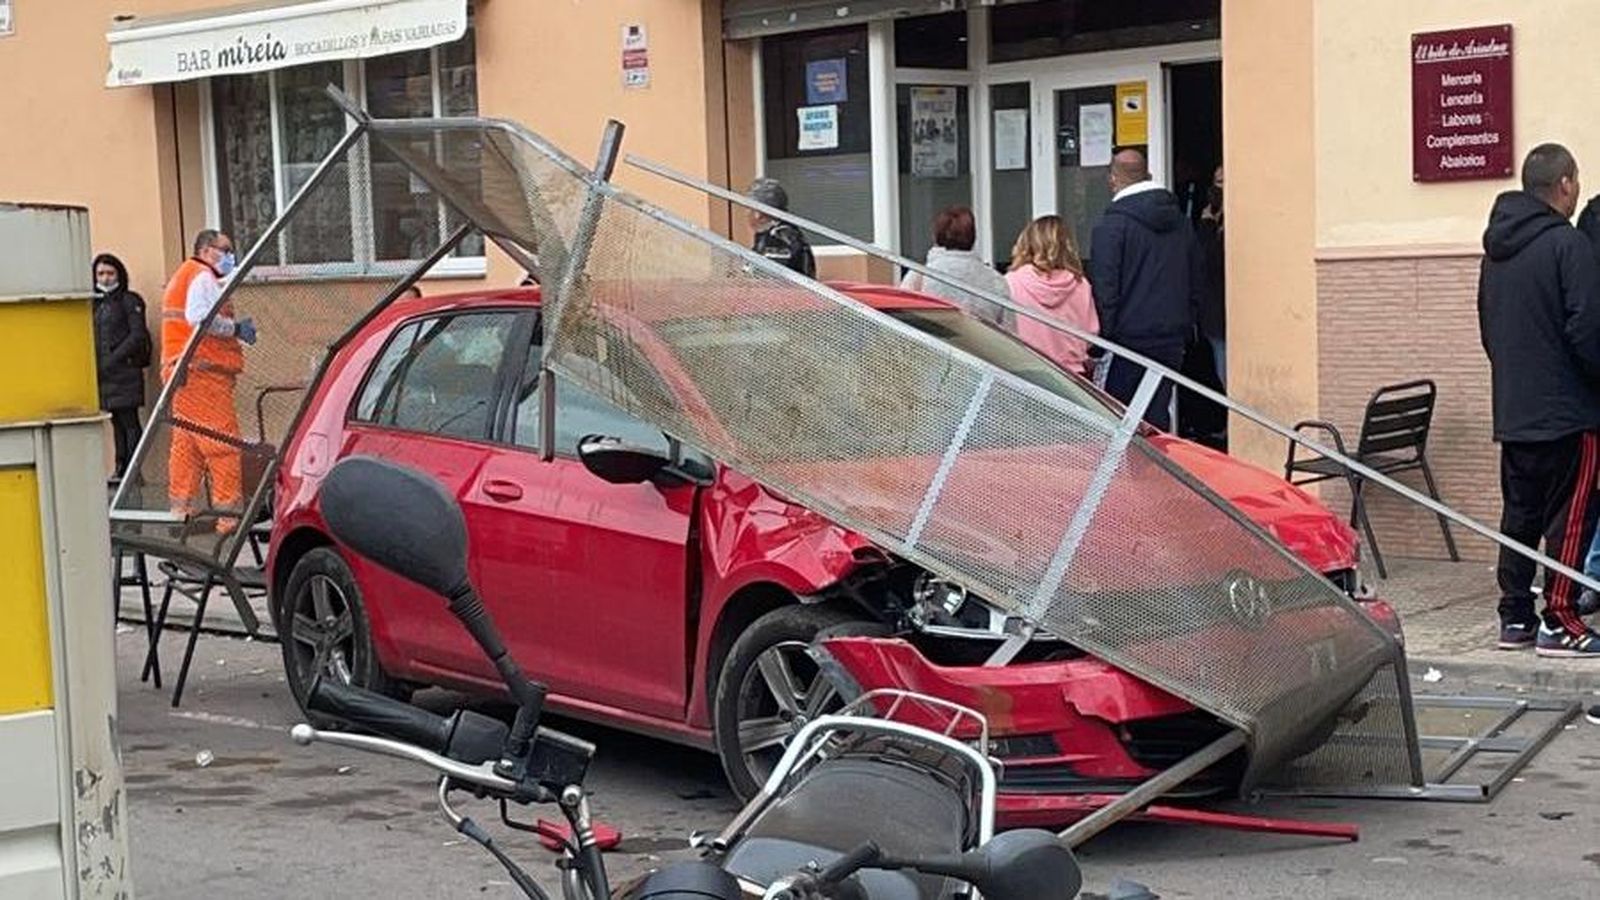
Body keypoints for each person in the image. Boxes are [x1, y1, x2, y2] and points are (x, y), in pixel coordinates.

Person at [1477, 143, 1600, 657]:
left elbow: (1489, 329)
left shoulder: (1495, 251)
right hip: (1570, 413)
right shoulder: (1568, 246)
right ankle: (1562, 620)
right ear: (1566, 183)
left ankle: (1515, 619)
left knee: (1520, 518)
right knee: (1571, 520)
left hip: (1515, 410)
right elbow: (1588, 329)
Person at [1088, 148, 1202, 431]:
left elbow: (1106, 288)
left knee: (1117, 418)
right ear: (1148, 175)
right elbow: (1195, 277)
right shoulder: (1182, 223)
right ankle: (1157, 473)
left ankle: (1129, 475)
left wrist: (1102, 340)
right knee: (1157, 416)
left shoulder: (1112, 225)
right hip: (1171, 339)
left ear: (1113, 180)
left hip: (1126, 341)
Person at [161, 229, 256, 534]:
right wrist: (235, 329)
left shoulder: (185, 274)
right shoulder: (202, 277)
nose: (229, 256)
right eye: (224, 250)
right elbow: (200, 316)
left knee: (187, 444)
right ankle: (229, 519)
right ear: (205, 250)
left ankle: (181, 512)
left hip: (183, 372)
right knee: (223, 444)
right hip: (203, 373)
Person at [1003, 215, 1097, 377]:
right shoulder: (1080, 284)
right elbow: (1091, 332)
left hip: (1027, 370)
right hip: (1073, 375)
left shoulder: (1011, 282)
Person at [900, 206, 1012, 330]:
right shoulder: (996, 280)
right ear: (974, 238)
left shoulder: (919, 277)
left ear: (935, 236)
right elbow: (1010, 333)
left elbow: (902, 327)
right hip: (983, 348)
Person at [91, 253, 151, 480]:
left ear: (119, 274)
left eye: (110, 273)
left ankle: (133, 470)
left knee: (129, 421)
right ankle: (120, 467)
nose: (105, 278)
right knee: (116, 421)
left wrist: (113, 358)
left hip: (124, 371)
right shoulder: (96, 303)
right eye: (100, 273)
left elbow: (136, 335)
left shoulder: (129, 300)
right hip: (106, 373)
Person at [747, 178, 815, 278]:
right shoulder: (769, 233)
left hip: (790, 292)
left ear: (758, 213)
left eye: (749, 209)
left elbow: (769, 280)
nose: (747, 214)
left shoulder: (778, 237)